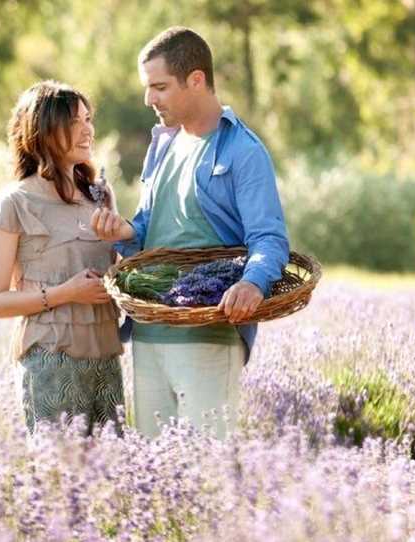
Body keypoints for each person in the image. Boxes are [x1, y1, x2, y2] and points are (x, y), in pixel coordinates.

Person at [91, 27, 289, 439]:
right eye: (148, 88)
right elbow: (149, 229)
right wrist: (125, 230)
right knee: (153, 468)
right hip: (148, 331)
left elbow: (268, 238)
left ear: (196, 80)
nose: (149, 99)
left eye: (159, 87)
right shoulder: (163, 146)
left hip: (208, 335)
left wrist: (253, 283)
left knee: (208, 466)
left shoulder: (242, 151)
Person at [0, 80, 125, 436]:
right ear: (43, 131)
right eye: (74, 121)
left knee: (112, 475)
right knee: (59, 477)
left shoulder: (100, 194)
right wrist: (66, 293)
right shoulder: (15, 202)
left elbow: (116, 272)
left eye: (88, 118)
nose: (87, 129)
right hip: (50, 357)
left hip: (106, 354)